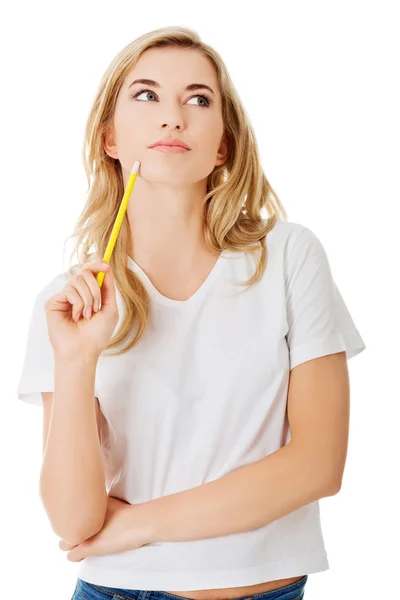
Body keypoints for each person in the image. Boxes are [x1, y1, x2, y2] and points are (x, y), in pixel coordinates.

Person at [16, 26, 366, 600]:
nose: (172, 117)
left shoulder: (287, 257)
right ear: (110, 137)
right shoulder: (70, 304)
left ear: (222, 144)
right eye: (147, 95)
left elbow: (318, 466)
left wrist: (137, 523)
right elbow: (75, 524)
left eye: (198, 99)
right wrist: (76, 360)